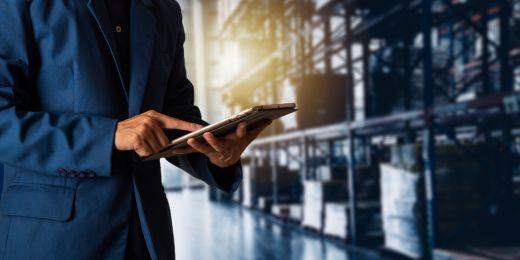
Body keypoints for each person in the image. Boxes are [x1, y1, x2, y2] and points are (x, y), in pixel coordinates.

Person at [0, 0, 269, 259]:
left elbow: (174, 117)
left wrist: (217, 153)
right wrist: (108, 136)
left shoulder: (165, 11)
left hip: (145, 234)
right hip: (54, 237)